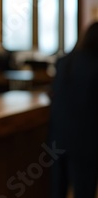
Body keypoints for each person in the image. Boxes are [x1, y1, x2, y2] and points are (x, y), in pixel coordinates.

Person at [49, 21, 98, 198]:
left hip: (58, 136)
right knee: (84, 189)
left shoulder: (64, 61)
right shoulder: (94, 65)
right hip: (87, 139)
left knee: (58, 188)